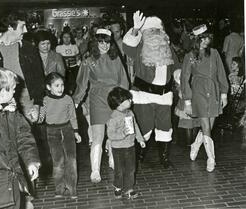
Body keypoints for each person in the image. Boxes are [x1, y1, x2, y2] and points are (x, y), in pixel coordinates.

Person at [0, 67, 40, 209]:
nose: (15, 92)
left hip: (13, 184)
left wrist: (31, 161)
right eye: (12, 89)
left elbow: (24, 136)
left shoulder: (11, 111)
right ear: (3, 90)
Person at [123, 11, 180, 169]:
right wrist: (135, 29)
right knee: (144, 127)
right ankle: (139, 155)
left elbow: (176, 66)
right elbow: (127, 47)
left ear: (162, 32)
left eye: (157, 30)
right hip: (144, 95)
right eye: (150, 30)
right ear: (144, 33)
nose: (154, 34)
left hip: (164, 96)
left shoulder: (167, 48)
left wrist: (178, 74)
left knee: (165, 127)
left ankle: (164, 158)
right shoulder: (140, 47)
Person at [73, 28, 129, 183]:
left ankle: (113, 161)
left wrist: (124, 100)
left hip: (115, 100)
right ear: (95, 42)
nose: (104, 45)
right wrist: (76, 102)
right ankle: (95, 171)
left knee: (114, 133)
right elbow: (81, 83)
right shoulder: (88, 60)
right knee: (98, 136)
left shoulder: (116, 58)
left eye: (107, 42)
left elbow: (124, 81)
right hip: (97, 100)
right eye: (101, 42)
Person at [0, 11, 45, 123]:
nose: (26, 30)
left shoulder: (29, 49)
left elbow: (39, 78)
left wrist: (37, 105)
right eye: (22, 26)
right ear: (10, 27)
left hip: (27, 102)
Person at [180, 24, 229, 172]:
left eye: (208, 37)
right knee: (206, 126)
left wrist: (224, 94)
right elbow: (184, 78)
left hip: (213, 91)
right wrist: (187, 101)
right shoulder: (190, 56)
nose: (206, 41)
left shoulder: (214, 53)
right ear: (196, 39)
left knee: (209, 126)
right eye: (203, 38)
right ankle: (211, 158)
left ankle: (196, 144)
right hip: (198, 92)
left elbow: (221, 73)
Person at [38, 72, 81, 198]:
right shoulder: (45, 100)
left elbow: (73, 116)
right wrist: (35, 116)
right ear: (48, 87)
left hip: (67, 130)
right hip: (52, 132)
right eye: (56, 85)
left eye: (62, 85)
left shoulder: (68, 99)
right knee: (58, 161)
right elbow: (41, 118)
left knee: (71, 160)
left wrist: (76, 132)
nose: (60, 88)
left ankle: (72, 188)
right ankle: (59, 188)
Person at [106, 87, 145, 199]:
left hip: (130, 146)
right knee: (119, 170)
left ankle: (129, 189)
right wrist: (122, 134)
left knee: (131, 169)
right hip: (118, 148)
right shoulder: (114, 117)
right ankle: (118, 186)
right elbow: (110, 135)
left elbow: (135, 125)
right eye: (128, 99)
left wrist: (140, 139)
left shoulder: (130, 113)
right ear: (119, 103)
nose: (131, 101)